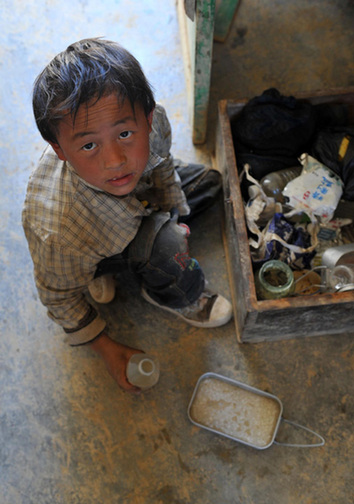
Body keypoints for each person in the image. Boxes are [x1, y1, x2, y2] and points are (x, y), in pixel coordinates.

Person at [22, 38, 232, 392]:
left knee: (211, 184)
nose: (115, 160)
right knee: (167, 247)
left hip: (134, 197)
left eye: (125, 133)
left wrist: (172, 209)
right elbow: (57, 296)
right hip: (91, 240)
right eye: (89, 145)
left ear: (147, 119)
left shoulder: (155, 122)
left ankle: (143, 255)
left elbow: (163, 165)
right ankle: (163, 290)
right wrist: (105, 347)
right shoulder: (59, 230)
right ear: (59, 150)